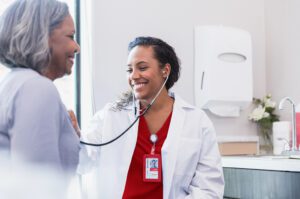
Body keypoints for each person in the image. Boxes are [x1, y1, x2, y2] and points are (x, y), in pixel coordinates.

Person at [79, 36, 224, 198]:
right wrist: (70, 136)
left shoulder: (197, 122)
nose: (133, 76)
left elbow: (209, 189)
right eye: (129, 70)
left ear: (165, 71)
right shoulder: (112, 115)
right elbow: (81, 159)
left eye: (142, 68)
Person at [0, 0, 80, 173]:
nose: (77, 47)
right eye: (71, 37)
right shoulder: (36, 88)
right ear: (42, 35)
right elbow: (38, 187)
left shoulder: (15, 83)